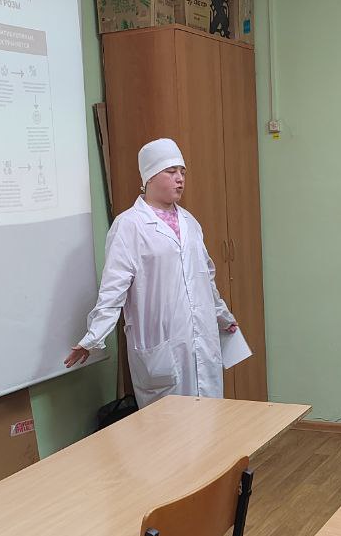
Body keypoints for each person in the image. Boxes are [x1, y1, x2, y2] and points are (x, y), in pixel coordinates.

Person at [66, 137, 237, 406]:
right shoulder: (128, 225)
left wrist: (223, 317)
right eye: (171, 171)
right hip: (162, 346)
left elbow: (206, 280)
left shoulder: (190, 223)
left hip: (202, 342)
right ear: (149, 177)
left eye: (183, 172)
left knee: (209, 420)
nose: (180, 179)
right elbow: (113, 289)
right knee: (168, 425)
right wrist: (93, 337)